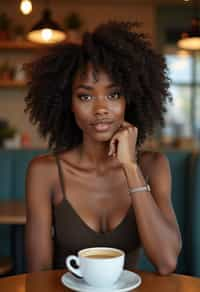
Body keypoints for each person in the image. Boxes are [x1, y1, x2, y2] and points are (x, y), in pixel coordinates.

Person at [25, 21, 182, 275]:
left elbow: (166, 262)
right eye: (85, 96)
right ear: (69, 103)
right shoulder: (45, 172)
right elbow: (38, 274)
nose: (101, 109)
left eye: (114, 94)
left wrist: (131, 167)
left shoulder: (153, 166)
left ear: (130, 99)